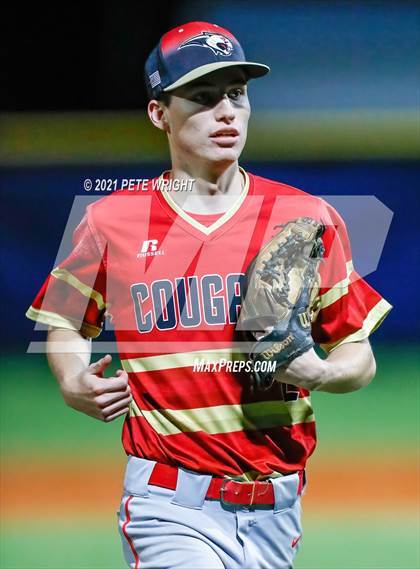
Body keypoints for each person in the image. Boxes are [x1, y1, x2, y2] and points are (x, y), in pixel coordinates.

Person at [26, 21, 392, 569]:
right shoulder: (112, 221)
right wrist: (72, 378)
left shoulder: (303, 217)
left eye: (237, 94)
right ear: (159, 113)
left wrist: (320, 373)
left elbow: (358, 354)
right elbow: (66, 322)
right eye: (202, 97)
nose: (227, 112)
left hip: (277, 509)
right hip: (167, 503)